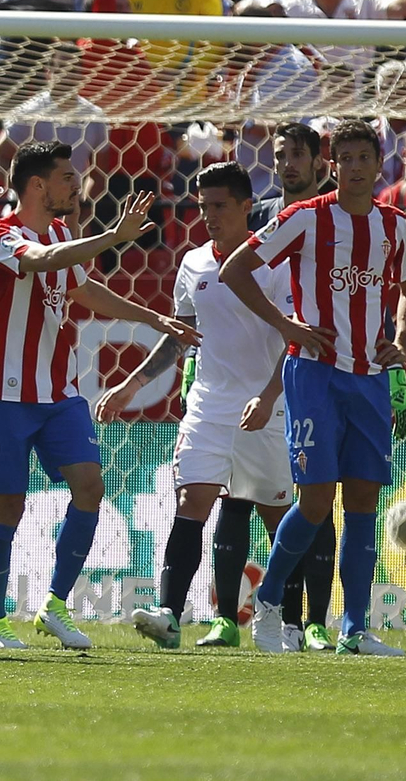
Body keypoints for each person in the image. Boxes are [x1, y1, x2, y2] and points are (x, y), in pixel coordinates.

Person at [0, 141, 199, 650]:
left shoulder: (60, 232)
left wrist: (150, 316)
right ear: (36, 186)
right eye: (66, 177)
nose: (77, 184)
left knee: (90, 487)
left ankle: (53, 607)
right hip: (2, 396)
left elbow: (81, 287)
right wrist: (112, 236)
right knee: (6, 508)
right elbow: (44, 261)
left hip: (58, 393)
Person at [221, 118, 406, 657]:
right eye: (346, 158)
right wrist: (286, 327)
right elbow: (236, 269)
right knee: (315, 502)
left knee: (363, 501)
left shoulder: (395, 225)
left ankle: (354, 628)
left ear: (378, 164)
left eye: (364, 158)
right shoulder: (305, 219)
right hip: (314, 373)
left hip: (370, 379)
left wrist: (400, 338)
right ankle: (267, 603)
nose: (355, 168)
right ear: (331, 164)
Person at [103, 162, 325, 652]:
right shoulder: (193, 263)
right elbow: (181, 338)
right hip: (208, 406)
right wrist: (131, 385)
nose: (209, 216)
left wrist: (270, 397)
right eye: (203, 207)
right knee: (191, 502)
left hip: (267, 407)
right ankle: (170, 615)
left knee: (277, 517)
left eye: (220, 206)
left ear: (248, 206)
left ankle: (289, 623)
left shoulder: (276, 264)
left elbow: (296, 340)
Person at [250, 120, 329, 230]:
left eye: (297, 154)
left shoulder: (336, 218)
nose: (288, 164)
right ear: (275, 164)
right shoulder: (254, 217)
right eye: (281, 156)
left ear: (318, 162)